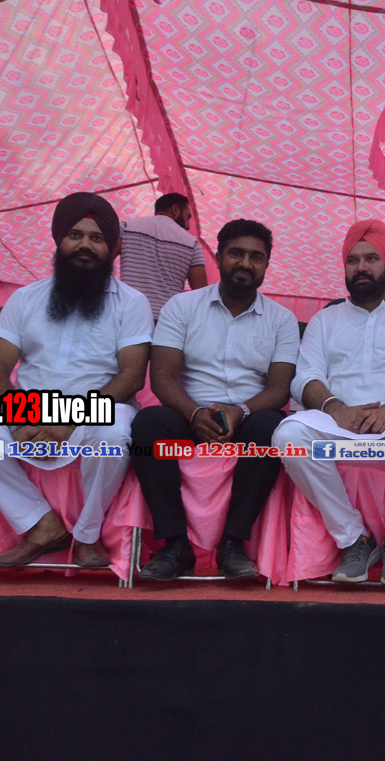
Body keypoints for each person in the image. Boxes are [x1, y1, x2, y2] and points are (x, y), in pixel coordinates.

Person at [0, 193, 152, 568]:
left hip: (97, 410)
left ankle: (87, 535)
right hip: (29, 409)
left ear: (113, 249)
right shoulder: (25, 299)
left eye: (97, 238)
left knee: (115, 435)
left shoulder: (132, 302)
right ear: (58, 239)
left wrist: (70, 419)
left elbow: (132, 376)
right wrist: (19, 416)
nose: (85, 245)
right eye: (75, 235)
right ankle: (42, 524)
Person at [272, 220, 385, 585]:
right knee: (287, 436)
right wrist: (338, 410)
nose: (361, 267)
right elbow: (305, 377)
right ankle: (354, 538)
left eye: (371, 258)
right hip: (338, 422)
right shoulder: (325, 320)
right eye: (352, 260)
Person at [132, 220, 299, 581]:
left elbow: (280, 387)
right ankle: (175, 544)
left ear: (266, 265)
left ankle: (233, 544)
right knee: (146, 425)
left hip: (248, 417)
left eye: (256, 257)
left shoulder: (282, 320)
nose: (245, 264)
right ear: (219, 257)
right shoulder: (182, 306)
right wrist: (194, 413)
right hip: (189, 413)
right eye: (236, 253)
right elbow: (161, 376)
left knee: (273, 427)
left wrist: (240, 411)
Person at [119, 192, 209, 322]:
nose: (188, 226)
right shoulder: (192, 243)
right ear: (175, 209)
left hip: (129, 316)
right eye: (188, 216)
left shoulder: (127, 227)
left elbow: (102, 264)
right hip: (167, 322)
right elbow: (202, 295)